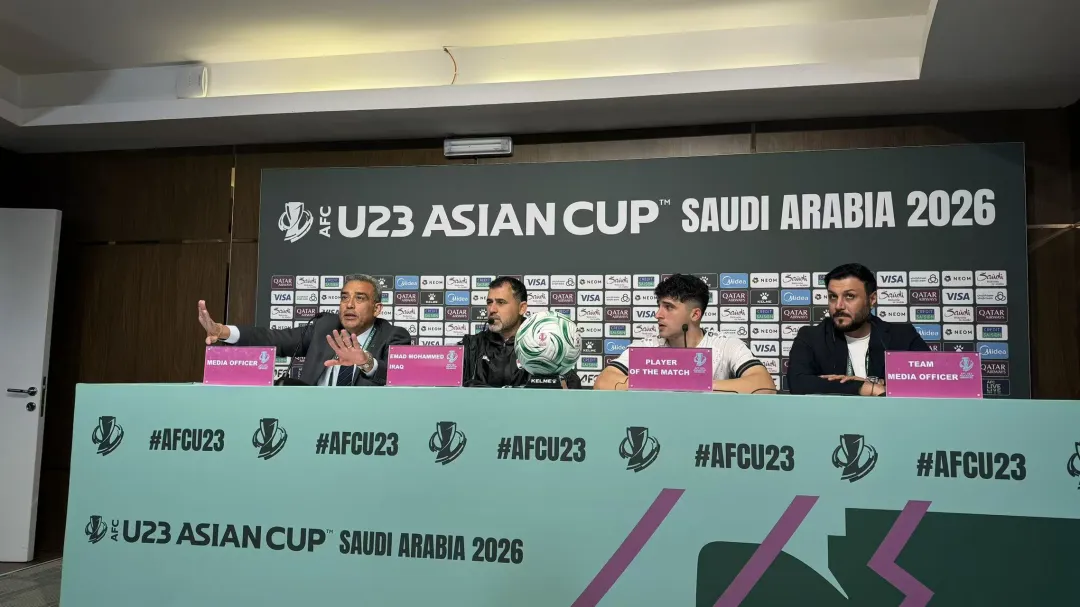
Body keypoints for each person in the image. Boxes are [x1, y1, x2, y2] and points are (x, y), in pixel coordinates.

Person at [197, 273, 411, 386]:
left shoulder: (393, 335)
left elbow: (398, 376)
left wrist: (366, 362)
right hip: (311, 415)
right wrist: (223, 331)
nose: (349, 305)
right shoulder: (324, 327)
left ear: (377, 308)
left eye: (360, 298)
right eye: (344, 297)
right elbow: (275, 338)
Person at [593, 273, 775, 393]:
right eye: (659, 306)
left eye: (668, 307)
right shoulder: (645, 346)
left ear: (695, 314)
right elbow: (603, 383)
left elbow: (764, 386)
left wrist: (694, 385)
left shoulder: (726, 345)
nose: (658, 314)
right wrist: (672, 383)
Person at [787, 262, 930, 396]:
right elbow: (798, 383)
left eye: (850, 296)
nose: (838, 306)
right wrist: (863, 387)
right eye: (833, 297)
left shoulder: (903, 336)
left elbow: (931, 382)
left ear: (872, 299)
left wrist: (881, 386)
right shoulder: (811, 337)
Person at [459, 276, 581, 388]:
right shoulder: (470, 346)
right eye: (489, 302)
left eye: (501, 302)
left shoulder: (545, 346)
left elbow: (571, 387)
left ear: (522, 308)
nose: (492, 309)